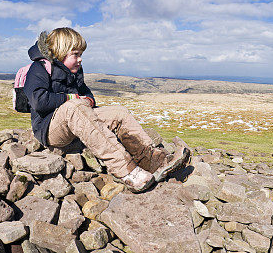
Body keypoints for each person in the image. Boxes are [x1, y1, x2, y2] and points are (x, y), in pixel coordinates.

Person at [23, 27, 189, 192]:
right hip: (49, 129)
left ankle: (154, 161)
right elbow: (39, 101)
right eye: (76, 54)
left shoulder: (74, 71)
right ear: (61, 51)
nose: (80, 59)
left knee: (118, 113)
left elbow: (87, 94)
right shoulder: (40, 68)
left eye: (81, 54)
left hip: (75, 120)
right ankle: (127, 172)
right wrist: (72, 98)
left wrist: (88, 99)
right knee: (75, 106)